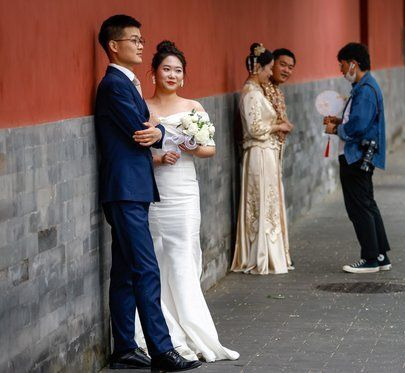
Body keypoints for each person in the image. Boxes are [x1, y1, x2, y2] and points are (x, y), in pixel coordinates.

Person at [95, 15, 201, 372]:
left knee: (126, 271)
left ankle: (125, 348)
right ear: (114, 45)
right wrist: (155, 131)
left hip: (132, 188)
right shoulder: (114, 85)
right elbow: (139, 131)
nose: (141, 45)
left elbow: (147, 131)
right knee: (146, 268)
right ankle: (161, 350)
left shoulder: (128, 84)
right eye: (134, 39)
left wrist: (156, 131)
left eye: (141, 40)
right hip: (124, 190)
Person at [134, 40, 239, 363]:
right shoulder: (141, 107)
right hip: (151, 191)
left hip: (183, 191)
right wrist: (156, 159)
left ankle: (192, 329)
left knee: (184, 256)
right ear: (153, 73)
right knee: (154, 256)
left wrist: (187, 144)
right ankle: (158, 333)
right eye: (166, 69)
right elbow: (133, 150)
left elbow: (209, 149)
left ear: (184, 76)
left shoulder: (194, 108)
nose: (172, 75)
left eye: (178, 70)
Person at [323, 42, 391, 274]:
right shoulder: (364, 87)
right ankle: (380, 255)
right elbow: (357, 121)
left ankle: (370, 258)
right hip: (360, 156)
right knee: (367, 205)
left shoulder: (365, 90)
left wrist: (337, 129)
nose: (341, 71)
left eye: (342, 65)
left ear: (354, 63)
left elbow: (359, 126)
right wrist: (341, 122)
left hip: (356, 157)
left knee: (359, 208)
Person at [230, 43, 293, 275]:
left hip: (266, 151)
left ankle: (270, 251)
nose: (270, 73)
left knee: (268, 201)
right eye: (268, 69)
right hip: (259, 151)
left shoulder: (256, 92)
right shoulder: (251, 93)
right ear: (259, 68)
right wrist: (279, 125)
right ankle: (260, 253)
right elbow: (256, 129)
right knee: (261, 201)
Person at [261, 48, 296, 267]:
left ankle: (278, 252)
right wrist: (280, 126)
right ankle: (269, 254)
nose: (286, 70)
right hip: (263, 154)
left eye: (291, 67)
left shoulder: (276, 90)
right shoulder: (261, 90)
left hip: (275, 153)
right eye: (282, 64)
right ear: (271, 64)